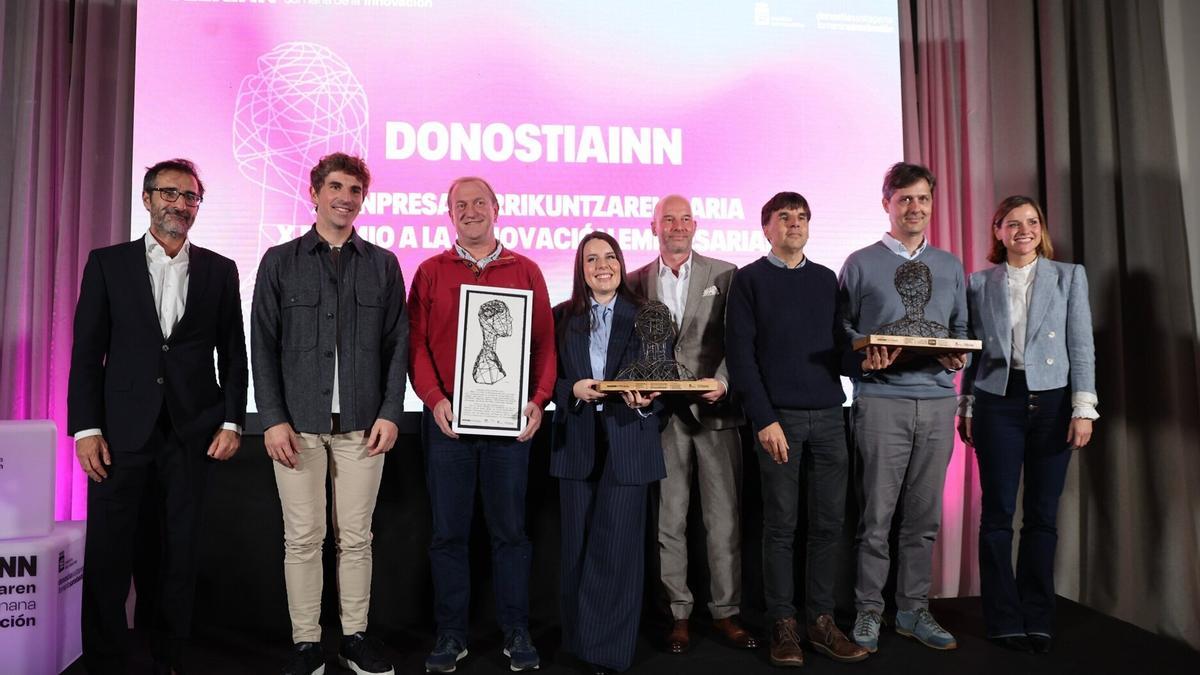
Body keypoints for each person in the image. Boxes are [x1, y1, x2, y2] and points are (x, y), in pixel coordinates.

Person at [68, 158, 247, 674]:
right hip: (119, 433)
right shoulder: (108, 263)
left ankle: (169, 658)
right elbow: (86, 354)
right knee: (108, 554)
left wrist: (232, 421)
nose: (180, 205)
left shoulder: (219, 269)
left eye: (190, 197)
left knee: (179, 553)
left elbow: (234, 354)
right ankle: (104, 660)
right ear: (147, 199)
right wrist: (87, 427)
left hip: (192, 432)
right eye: (169, 194)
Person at [252, 152, 406, 675]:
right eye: (336, 187)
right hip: (296, 428)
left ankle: (356, 638)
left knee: (356, 538)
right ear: (314, 192)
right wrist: (271, 418)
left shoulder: (383, 264)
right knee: (303, 539)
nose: (345, 197)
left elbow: (397, 345)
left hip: (364, 429)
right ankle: (306, 644)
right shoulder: (280, 260)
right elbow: (263, 345)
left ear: (364, 199)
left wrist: (391, 411)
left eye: (355, 190)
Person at [408, 176, 555, 673]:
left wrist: (538, 400)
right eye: (459, 205)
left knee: (510, 532)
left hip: (509, 428)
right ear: (449, 214)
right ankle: (451, 635)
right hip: (447, 424)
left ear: (497, 208)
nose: (470, 211)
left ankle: (516, 629)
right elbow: (417, 347)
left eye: (478, 203)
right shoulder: (429, 272)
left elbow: (544, 347)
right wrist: (433, 399)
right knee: (449, 534)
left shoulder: (527, 271)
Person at [725, 192, 869, 666]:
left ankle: (822, 622)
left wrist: (869, 359)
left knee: (828, 525)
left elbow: (840, 351)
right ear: (765, 228)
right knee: (781, 527)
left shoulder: (827, 280)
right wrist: (764, 418)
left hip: (830, 416)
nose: (794, 224)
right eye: (783, 218)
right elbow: (742, 357)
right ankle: (783, 625)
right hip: (778, 420)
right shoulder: (749, 281)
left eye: (802, 217)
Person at [957, 195, 1097, 654]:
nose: (1024, 230)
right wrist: (967, 406)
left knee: (1042, 515)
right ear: (998, 231)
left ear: (1042, 229)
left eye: (1032, 222)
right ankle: (1002, 617)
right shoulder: (979, 283)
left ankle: (1037, 616)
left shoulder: (1069, 276)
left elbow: (1081, 345)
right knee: (997, 514)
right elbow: (971, 353)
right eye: (1013, 223)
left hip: (1054, 403)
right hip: (998, 402)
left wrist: (1083, 408)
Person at [839, 162, 968, 653]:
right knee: (875, 518)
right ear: (886, 203)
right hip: (881, 401)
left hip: (937, 402)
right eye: (904, 199)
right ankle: (870, 611)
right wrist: (862, 355)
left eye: (922, 199)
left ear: (932, 204)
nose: (914, 208)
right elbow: (843, 331)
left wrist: (957, 356)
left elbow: (960, 330)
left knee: (924, 518)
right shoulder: (860, 262)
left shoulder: (951, 265)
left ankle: (913, 610)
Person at [626, 194, 754, 653]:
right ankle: (678, 613)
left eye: (684, 219)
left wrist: (722, 381)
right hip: (663, 419)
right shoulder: (634, 281)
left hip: (716, 415)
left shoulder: (725, 274)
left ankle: (727, 612)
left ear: (695, 225)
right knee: (669, 521)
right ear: (653, 226)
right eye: (668, 220)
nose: (677, 226)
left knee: (723, 521)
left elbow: (740, 339)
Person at [551, 231, 667, 674]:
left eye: (610, 257)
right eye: (592, 259)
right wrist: (572, 390)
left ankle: (609, 654)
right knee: (577, 550)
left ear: (621, 263)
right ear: (580, 271)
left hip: (628, 440)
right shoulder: (561, 317)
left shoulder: (647, 315)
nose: (603, 265)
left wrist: (650, 395)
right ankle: (579, 645)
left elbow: (661, 375)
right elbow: (543, 381)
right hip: (577, 441)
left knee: (617, 553)